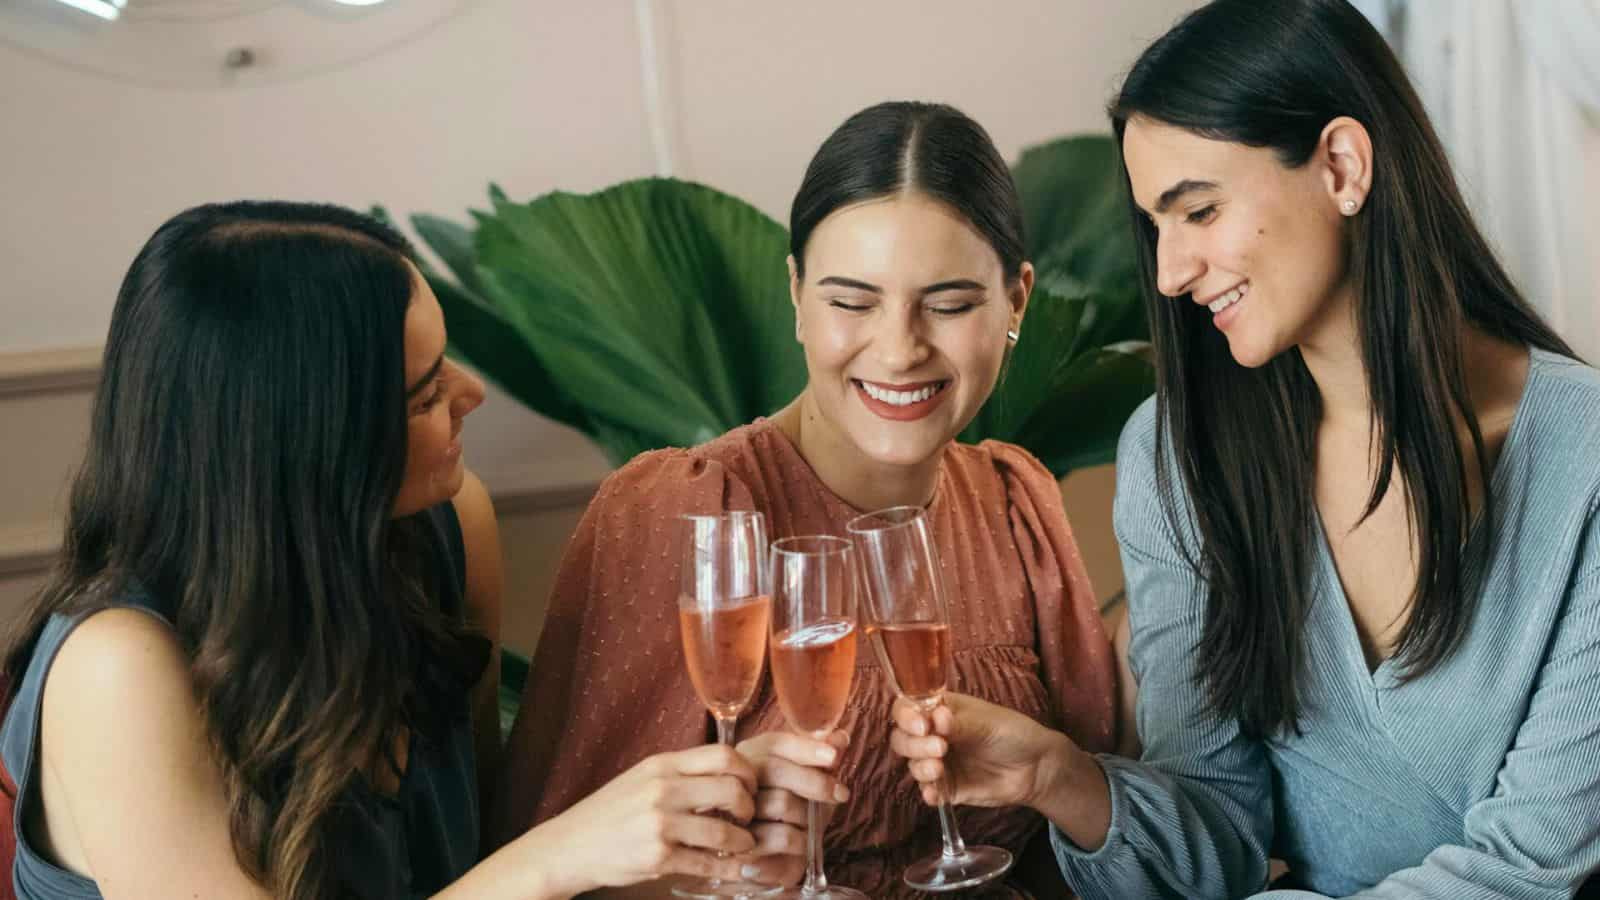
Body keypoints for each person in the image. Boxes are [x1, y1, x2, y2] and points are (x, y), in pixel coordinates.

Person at [890, 1, 1600, 898]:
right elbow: (1217, 837)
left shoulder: (1585, 463)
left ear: (1342, 165)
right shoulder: (1181, 457)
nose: (1170, 272)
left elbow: (1527, 871)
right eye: (1158, 226)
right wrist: (1057, 778)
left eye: (1199, 210)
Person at [0, 201, 809, 900]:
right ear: (306, 447)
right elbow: (521, 871)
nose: (471, 394)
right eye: (425, 393)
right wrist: (561, 853)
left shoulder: (445, 528)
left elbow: (478, 859)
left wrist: (693, 844)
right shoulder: (118, 667)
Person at [492, 101, 1121, 899]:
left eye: (952, 304)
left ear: (1017, 302)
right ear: (795, 293)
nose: (898, 349)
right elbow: (567, 871)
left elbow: (1092, 834)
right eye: (851, 302)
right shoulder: (689, 508)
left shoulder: (1016, 500)